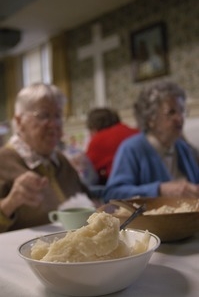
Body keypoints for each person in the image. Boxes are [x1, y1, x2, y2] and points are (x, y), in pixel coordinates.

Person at [0, 83, 95, 233]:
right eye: (44, 115)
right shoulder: (3, 161)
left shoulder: (60, 160)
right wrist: (9, 203)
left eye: (58, 116)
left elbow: (90, 201)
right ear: (19, 121)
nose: (54, 124)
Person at [104, 80, 199, 202]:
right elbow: (112, 193)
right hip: (148, 220)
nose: (180, 118)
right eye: (172, 112)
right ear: (150, 119)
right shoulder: (132, 148)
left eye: (182, 111)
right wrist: (160, 190)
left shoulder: (182, 147)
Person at [85, 107, 139, 185]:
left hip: (123, 187)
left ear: (93, 128)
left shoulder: (98, 141)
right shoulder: (136, 132)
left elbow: (87, 171)